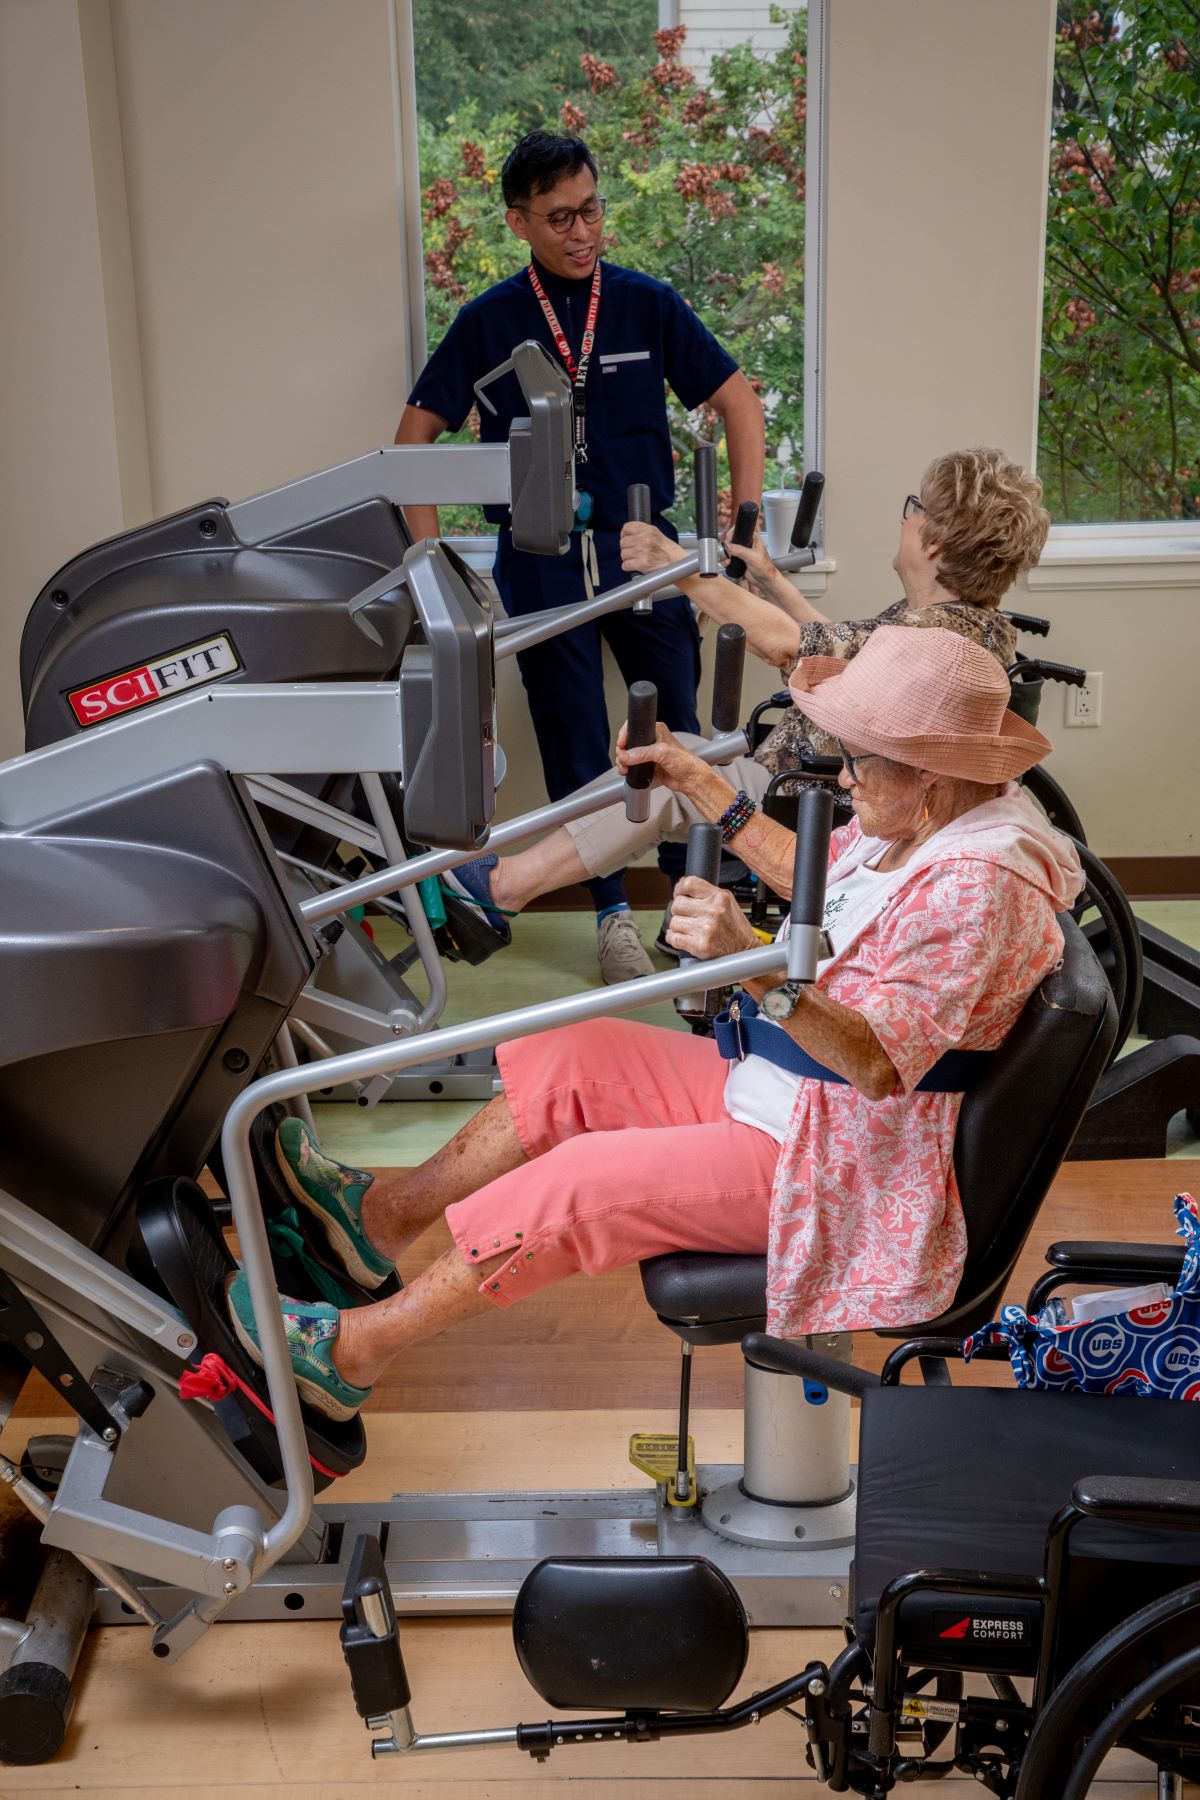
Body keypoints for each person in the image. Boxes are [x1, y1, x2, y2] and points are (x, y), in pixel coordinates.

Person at [228, 626, 1083, 1421]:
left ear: (930, 772)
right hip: (795, 1094)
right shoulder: (929, 823)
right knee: (570, 1058)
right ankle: (379, 1221)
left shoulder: (976, 887)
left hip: (842, 1160)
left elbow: (878, 1065)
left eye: (859, 758)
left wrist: (750, 958)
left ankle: (354, 1354)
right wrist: (696, 782)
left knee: (582, 1180)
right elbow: (824, 877)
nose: (845, 777)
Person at [396, 129, 765, 984]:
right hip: (541, 560)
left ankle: (689, 910)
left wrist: (743, 531)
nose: (581, 231)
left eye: (591, 210)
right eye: (559, 217)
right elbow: (413, 444)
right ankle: (611, 919)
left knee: (674, 733)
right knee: (572, 737)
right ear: (519, 222)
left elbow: (739, 402)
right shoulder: (489, 321)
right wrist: (431, 570)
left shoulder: (646, 304)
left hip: (644, 552)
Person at [439, 445, 1050, 959]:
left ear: (935, 541)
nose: (906, 517)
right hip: (814, 777)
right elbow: (842, 651)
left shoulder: (937, 634)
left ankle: (503, 888)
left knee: (667, 769)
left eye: (915, 508)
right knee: (678, 753)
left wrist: (677, 566)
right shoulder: (958, 622)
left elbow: (790, 645)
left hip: (822, 795)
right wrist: (773, 582)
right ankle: (502, 878)